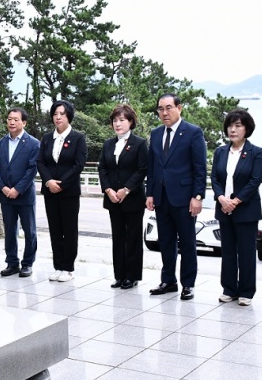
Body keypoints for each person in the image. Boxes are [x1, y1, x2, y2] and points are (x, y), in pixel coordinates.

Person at [145, 93, 207, 300]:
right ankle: (168, 280)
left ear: (179, 108)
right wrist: (150, 193)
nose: (164, 113)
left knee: (188, 242)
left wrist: (197, 196)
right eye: (161, 109)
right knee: (166, 241)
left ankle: (188, 284)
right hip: (161, 197)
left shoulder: (193, 132)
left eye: (169, 108)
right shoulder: (155, 134)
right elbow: (152, 167)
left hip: (184, 198)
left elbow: (200, 168)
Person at [210, 109, 262, 306]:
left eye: (238, 126)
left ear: (247, 128)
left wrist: (236, 200)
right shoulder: (220, 151)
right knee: (228, 251)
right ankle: (229, 288)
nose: (232, 130)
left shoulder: (256, 152)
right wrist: (221, 198)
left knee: (247, 252)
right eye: (230, 126)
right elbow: (215, 178)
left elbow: (254, 180)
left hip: (246, 209)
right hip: (224, 208)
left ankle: (246, 291)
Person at [98, 104, 149, 290]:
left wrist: (126, 189)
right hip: (113, 199)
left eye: (122, 120)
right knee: (118, 237)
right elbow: (102, 167)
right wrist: (108, 189)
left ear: (131, 122)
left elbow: (142, 169)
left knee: (133, 237)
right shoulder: (108, 144)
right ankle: (119, 275)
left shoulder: (140, 143)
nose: (118, 124)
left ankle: (132, 276)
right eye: (115, 120)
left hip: (133, 198)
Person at [37, 100, 88, 282]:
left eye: (62, 114)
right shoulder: (46, 138)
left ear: (69, 116)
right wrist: (49, 181)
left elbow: (78, 165)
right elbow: (41, 162)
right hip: (50, 191)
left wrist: (61, 183)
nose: (58, 117)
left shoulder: (78, 138)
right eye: (55, 114)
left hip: (69, 192)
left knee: (69, 229)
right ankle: (58, 266)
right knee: (55, 229)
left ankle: (68, 268)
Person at [0, 108, 40, 278]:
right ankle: (12, 263)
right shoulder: (1, 143)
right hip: (5, 195)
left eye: (16, 119)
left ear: (24, 123)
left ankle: (27, 264)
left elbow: (32, 169)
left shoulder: (33, 143)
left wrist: (17, 189)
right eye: (9, 119)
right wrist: (3, 188)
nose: (11, 122)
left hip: (24, 196)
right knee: (10, 230)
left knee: (29, 231)